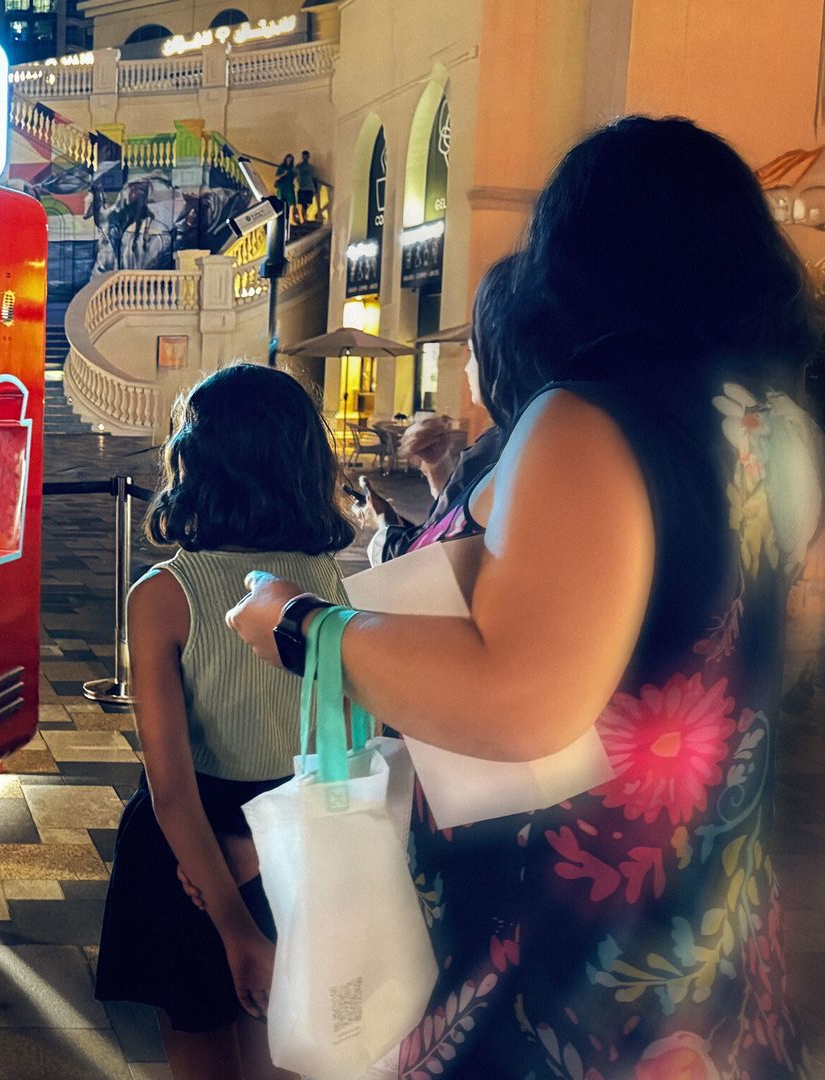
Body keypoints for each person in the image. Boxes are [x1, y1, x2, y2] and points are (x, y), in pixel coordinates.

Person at [228, 117, 822, 1075]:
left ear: (580, 262)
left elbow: (521, 699)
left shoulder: (584, 420)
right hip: (708, 954)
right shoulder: (781, 428)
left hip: (561, 962)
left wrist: (300, 623)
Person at [93, 364, 351, 1080]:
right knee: (291, 1051)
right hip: (295, 824)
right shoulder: (326, 582)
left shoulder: (164, 595)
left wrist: (233, 926)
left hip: (189, 843)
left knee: (201, 1045)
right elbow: (349, 743)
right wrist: (265, 856)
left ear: (192, 463)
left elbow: (169, 786)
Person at [362, 252, 542, 562]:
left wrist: (383, 522)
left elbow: (419, 560)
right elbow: (465, 523)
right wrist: (437, 466)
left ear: (498, 357)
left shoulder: (499, 446)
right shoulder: (547, 432)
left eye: (473, 352)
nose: (466, 367)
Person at [293, 150, 319, 219]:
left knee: (308, 203)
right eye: (304, 156)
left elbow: (314, 178)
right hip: (301, 187)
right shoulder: (298, 167)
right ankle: (301, 217)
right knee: (301, 203)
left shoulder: (311, 168)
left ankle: (303, 215)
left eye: (306, 156)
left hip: (309, 187)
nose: (305, 157)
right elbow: (293, 175)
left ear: (308, 157)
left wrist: (315, 188)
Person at [272, 154, 297, 225]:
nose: (289, 160)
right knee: (281, 201)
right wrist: (284, 173)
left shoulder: (292, 168)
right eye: (288, 159)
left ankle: (291, 219)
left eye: (290, 159)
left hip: (289, 186)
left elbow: (294, 176)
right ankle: (281, 219)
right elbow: (277, 175)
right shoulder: (282, 167)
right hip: (282, 186)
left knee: (291, 202)